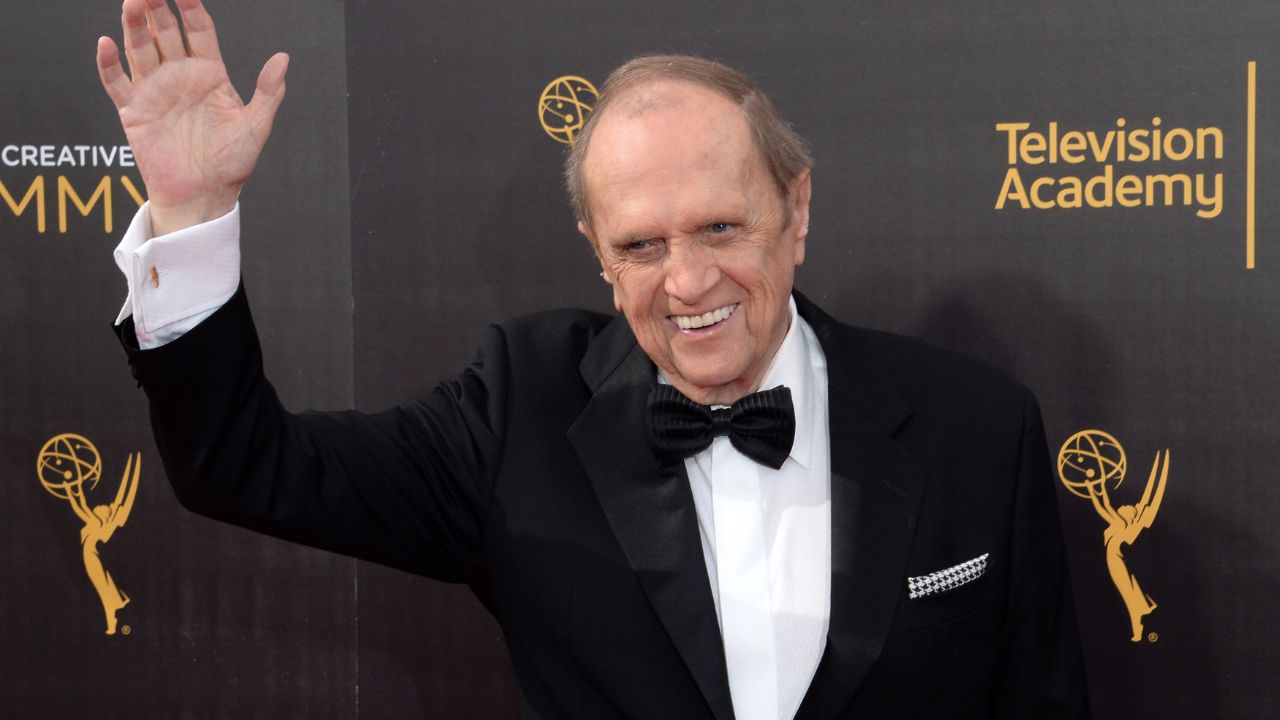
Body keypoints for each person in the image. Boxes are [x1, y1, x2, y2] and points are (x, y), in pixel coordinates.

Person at [97, 0, 1090, 717]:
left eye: (719, 227)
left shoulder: (975, 426)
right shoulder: (516, 415)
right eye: (642, 246)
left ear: (795, 210)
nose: (688, 281)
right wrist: (193, 214)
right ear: (598, 256)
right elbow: (243, 465)